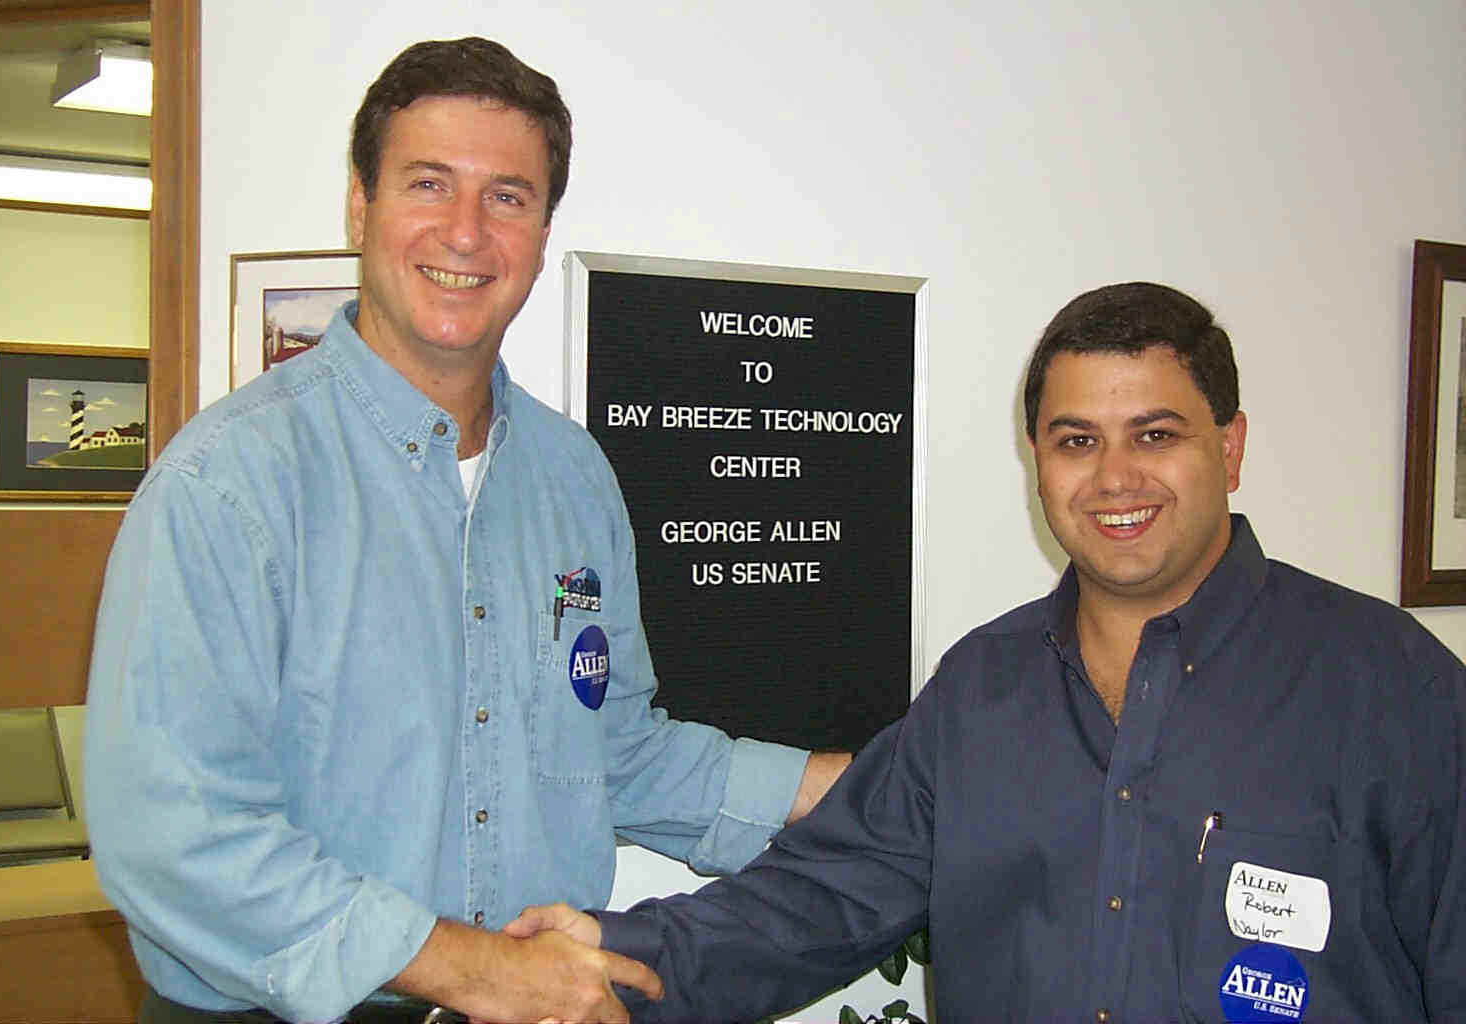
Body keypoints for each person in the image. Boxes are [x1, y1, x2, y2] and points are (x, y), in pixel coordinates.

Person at [85, 37, 847, 1024]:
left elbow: (616, 755)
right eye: (428, 184)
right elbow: (173, 838)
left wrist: (861, 788)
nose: (465, 232)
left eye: (507, 197)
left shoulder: (574, 478)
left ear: (541, 232)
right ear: (360, 206)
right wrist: (471, 968)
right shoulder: (228, 484)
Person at [510, 282, 1466, 1021]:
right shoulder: (982, 689)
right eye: (1076, 440)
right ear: (1037, 461)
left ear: (1231, 447)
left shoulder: (1395, 690)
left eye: (1155, 434)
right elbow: (818, 900)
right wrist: (607, 957)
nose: (1115, 477)